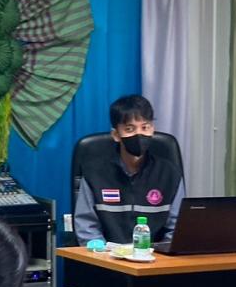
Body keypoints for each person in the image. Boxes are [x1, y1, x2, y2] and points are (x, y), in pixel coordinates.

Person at [74, 94, 186, 244]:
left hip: (154, 256)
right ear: (116, 134)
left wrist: (161, 254)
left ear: (152, 129)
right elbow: (86, 226)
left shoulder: (170, 174)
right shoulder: (94, 173)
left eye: (145, 127)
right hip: (107, 256)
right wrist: (102, 253)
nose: (139, 134)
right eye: (130, 129)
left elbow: (177, 228)